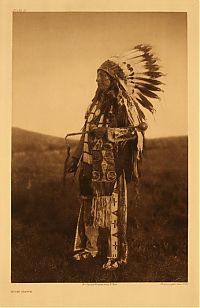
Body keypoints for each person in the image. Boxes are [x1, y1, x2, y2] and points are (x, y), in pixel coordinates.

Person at [65, 44, 163, 270]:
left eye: (103, 78)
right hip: (90, 165)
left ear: (113, 80)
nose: (98, 81)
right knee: (88, 206)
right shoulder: (95, 105)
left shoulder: (123, 104)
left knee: (113, 210)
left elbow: (137, 130)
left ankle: (115, 256)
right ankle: (89, 248)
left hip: (111, 167)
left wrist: (108, 133)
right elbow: (85, 130)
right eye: (97, 77)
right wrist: (76, 156)